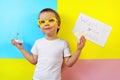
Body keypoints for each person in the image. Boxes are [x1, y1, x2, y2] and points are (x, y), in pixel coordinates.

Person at [11, 8, 86, 80]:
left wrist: (79, 49)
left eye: (51, 20)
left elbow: (69, 63)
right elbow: (34, 61)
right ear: (39, 26)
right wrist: (21, 48)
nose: (46, 24)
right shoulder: (38, 42)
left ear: (58, 25)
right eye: (42, 22)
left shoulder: (63, 43)